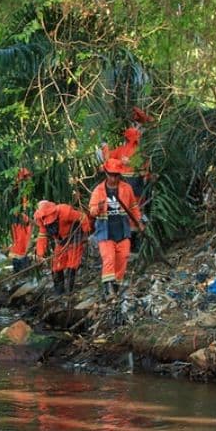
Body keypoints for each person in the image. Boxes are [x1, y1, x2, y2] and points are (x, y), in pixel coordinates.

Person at [88, 157, 145, 298]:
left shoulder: (126, 188)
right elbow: (92, 211)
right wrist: (98, 208)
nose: (113, 178)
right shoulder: (98, 190)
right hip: (105, 231)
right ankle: (108, 291)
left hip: (122, 229)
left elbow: (133, 206)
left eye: (116, 175)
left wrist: (139, 221)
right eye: (111, 175)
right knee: (109, 258)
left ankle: (115, 287)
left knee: (123, 257)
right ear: (106, 173)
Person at [100, 107, 153, 251]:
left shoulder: (138, 148)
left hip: (133, 183)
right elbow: (110, 158)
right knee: (133, 210)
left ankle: (132, 242)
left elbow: (109, 157)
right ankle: (132, 242)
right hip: (132, 184)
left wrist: (105, 148)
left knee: (131, 210)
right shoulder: (136, 148)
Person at [33, 200, 91, 294]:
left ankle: (69, 291)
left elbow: (82, 217)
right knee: (56, 265)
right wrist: (40, 254)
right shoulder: (41, 220)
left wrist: (85, 233)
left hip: (74, 236)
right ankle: (59, 291)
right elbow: (42, 236)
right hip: (60, 241)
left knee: (72, 263)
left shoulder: (65, 211)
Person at [8, 168, 33, 272]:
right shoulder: (16, 189)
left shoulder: (26, 189)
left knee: (24, 241)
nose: (29, 179)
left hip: (23, 218)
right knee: (20, 241)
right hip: (19, 218)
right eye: (26, 177)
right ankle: (19, 267)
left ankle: (22, 267)